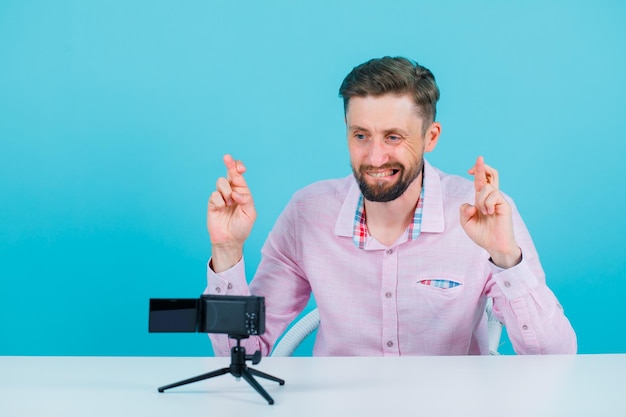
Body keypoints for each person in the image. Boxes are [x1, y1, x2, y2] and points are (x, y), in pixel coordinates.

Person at [205, 56, 577, 356]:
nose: (375, 156)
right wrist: (226, 250)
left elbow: (555, 359)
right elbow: (240, 350)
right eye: (361, 135)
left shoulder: (481, 214)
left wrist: (505, 257)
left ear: (430, 137)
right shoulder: (308, 212)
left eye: (394, 137)